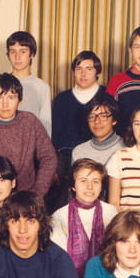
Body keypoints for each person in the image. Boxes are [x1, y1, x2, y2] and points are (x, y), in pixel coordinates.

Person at [0, 73, 57, 198]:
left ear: (20, 100)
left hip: (31, 194)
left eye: (11, 97)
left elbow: (49, 158)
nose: (5, 104)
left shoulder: (30, 121)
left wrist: (37, 193)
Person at [50, 51, 108, 210]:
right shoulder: (62, 99)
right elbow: (55, 137)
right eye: (79, 68)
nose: (83, 74)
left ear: (97, 72)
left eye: (89, 69)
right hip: (67, 161)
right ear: (73, 72)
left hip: (100, 156)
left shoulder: (106, 96)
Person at [51, 159, 118, 277]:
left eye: (95, 182)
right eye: (83, 181)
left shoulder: (110, 213)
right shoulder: (59, 216)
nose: (90, 187)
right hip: (70, 277)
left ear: (101, 187)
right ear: (73, 186)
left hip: (106, 276)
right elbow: (59, 258)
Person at [5, 31, 52, 136]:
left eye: (23, 52)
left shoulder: (42, 87)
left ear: (32, 54)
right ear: (8, 55)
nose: (17, 57)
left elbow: (46, 126)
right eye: (13, 52)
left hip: (31, 142)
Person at [71, 95, 126, 167]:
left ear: (114, 120)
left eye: (103, 116)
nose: (97, 121)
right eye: (92, 116)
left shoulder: (127, 149)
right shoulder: (78, 152)